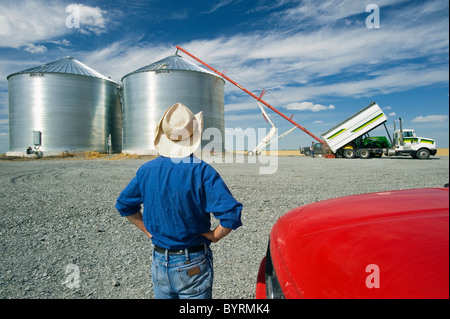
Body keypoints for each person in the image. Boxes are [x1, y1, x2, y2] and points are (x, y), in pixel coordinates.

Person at [115, 103, 243, 299]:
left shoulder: (146, 170)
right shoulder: (202, 171)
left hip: (159, 260)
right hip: (193, 262)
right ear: (193, 137)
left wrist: (146, 229)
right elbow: (231, 214)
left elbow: (124, 205)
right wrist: (215, 235)